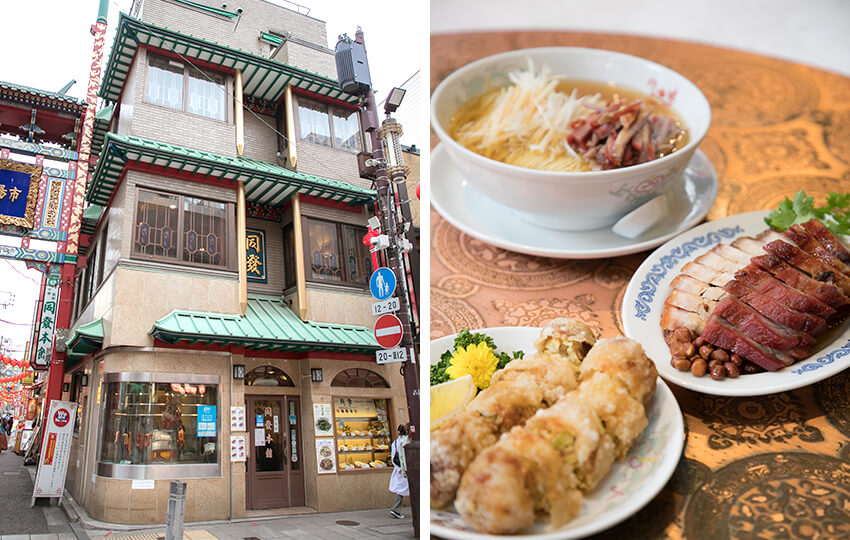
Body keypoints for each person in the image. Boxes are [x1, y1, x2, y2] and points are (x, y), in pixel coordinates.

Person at [388, 423, 410, 519]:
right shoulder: (407, 441)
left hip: (399, 468)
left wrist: (398, 468)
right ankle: (395, 509)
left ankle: (396, 509)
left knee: (402, 489)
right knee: (403, 489)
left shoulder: (395, 443)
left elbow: (393, 457)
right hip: (406, 468)